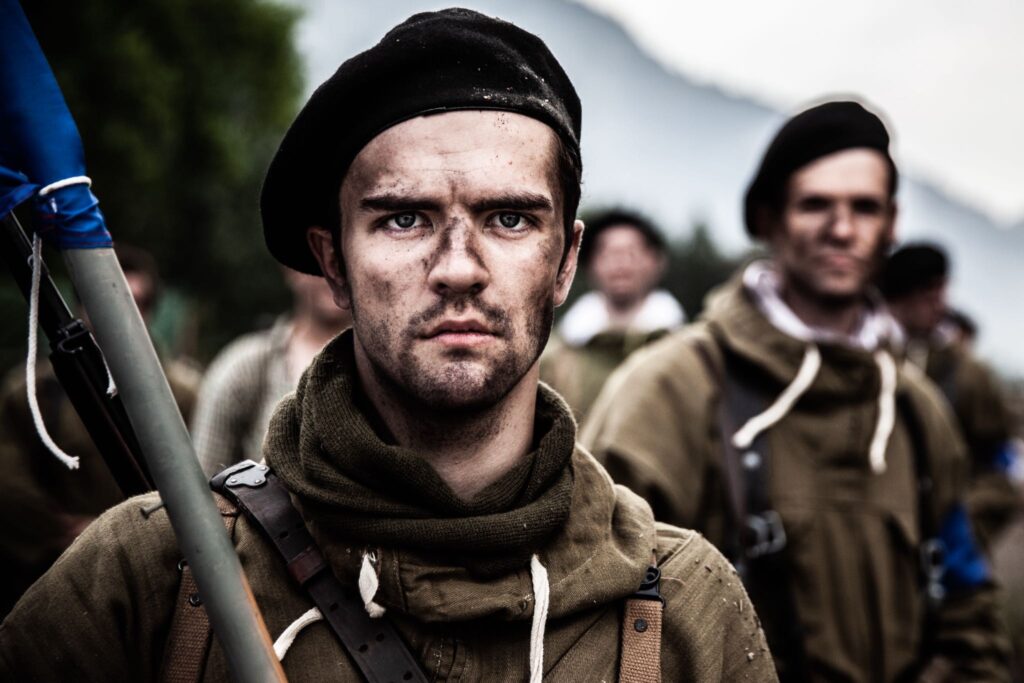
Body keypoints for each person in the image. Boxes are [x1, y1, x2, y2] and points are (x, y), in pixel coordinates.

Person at [0, 10, 774, 681]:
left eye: (509, 218)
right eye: (404, 218)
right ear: (333, 261)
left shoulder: (687, 604)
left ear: (565, 260)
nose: (459, 269)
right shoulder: (152, 577)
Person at [582, 101, 1010, 681]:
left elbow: (968, 604)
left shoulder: (916, 410)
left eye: (864, 207)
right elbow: (598, 615)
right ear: (768, 218)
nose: (842, 228)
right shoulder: (669, 391)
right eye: (815, 205)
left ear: (892, 223)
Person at [0, 243, 200, 617]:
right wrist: (70, 533)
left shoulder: (185, 394)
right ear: (79, 306)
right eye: (103, 299)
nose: (120, 315)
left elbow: (209, 479)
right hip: (57, 579)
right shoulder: (34, 391)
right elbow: (7, 482)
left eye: (136, 303)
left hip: (162, 578)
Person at [882, 243, 1021, 549]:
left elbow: (1002, 472)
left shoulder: (968, 374)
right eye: (928, 293)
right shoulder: (864, 359)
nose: (939, 304)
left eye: (941, 291)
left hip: (943, 554)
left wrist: (960, 520)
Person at [191, 267, 351, 476]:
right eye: (320, 259)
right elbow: (202, 485)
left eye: (342, 257)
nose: (335, 272)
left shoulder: (392, 370)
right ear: (291, 269)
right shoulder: (245, 367)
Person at [541, 208, 685, 422]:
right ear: (587, 265)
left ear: (657, 262)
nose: (621, 263)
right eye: (608, 253)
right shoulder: (556, 358)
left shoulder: (683, 353)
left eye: (632, 252)